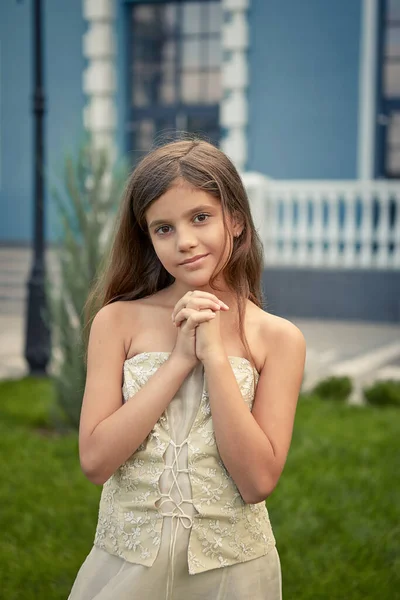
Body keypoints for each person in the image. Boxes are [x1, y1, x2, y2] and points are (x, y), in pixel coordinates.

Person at [67, 138, 306, 600]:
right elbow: (95, 462)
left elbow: (257, 481)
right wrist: (179, 360)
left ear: (235, 220)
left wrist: (214, 355)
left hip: (233, 573)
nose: (186, 241)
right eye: (163, 228)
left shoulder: (278, 339)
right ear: (148, 238)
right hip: (127, 569)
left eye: (200, 217)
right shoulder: (117, 321)